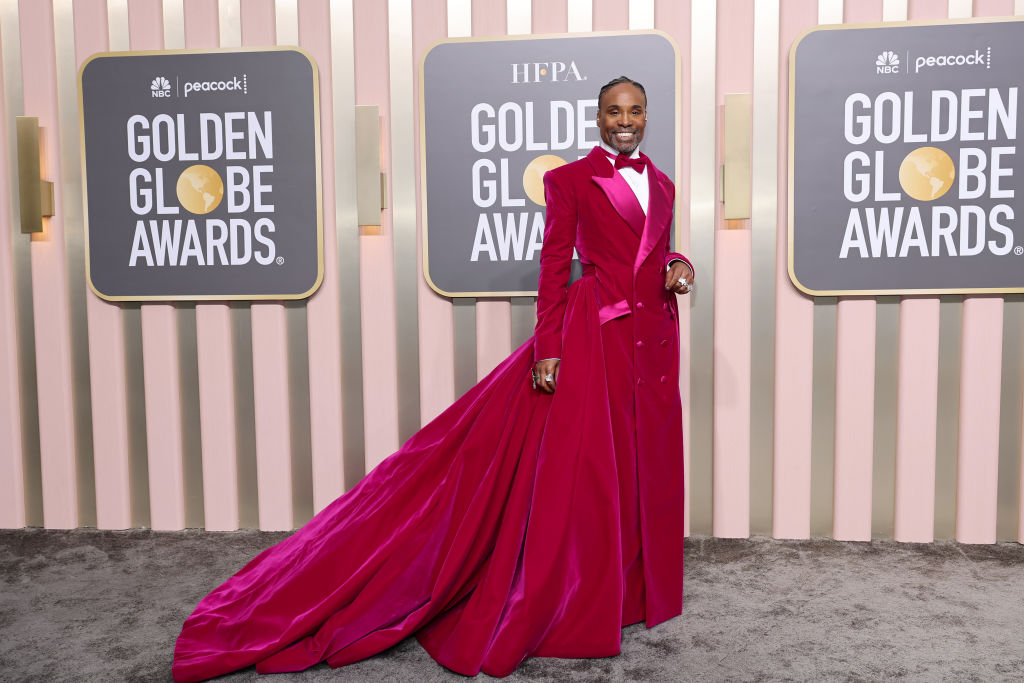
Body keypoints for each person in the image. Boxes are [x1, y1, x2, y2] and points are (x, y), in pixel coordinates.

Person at [171, 75, 694, 683]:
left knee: (642, 464)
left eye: (634, 111)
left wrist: (678, 263)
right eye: (613, 111)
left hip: (652, 343)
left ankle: (636, 592)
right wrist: (547, 348)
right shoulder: (569, 180)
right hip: (595, 336)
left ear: (647, 115)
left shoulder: (662, 182)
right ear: (597, 117)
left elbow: (652, 254)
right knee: (588, 475)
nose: (624, 121)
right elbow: (555, 266)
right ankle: (585, 598)